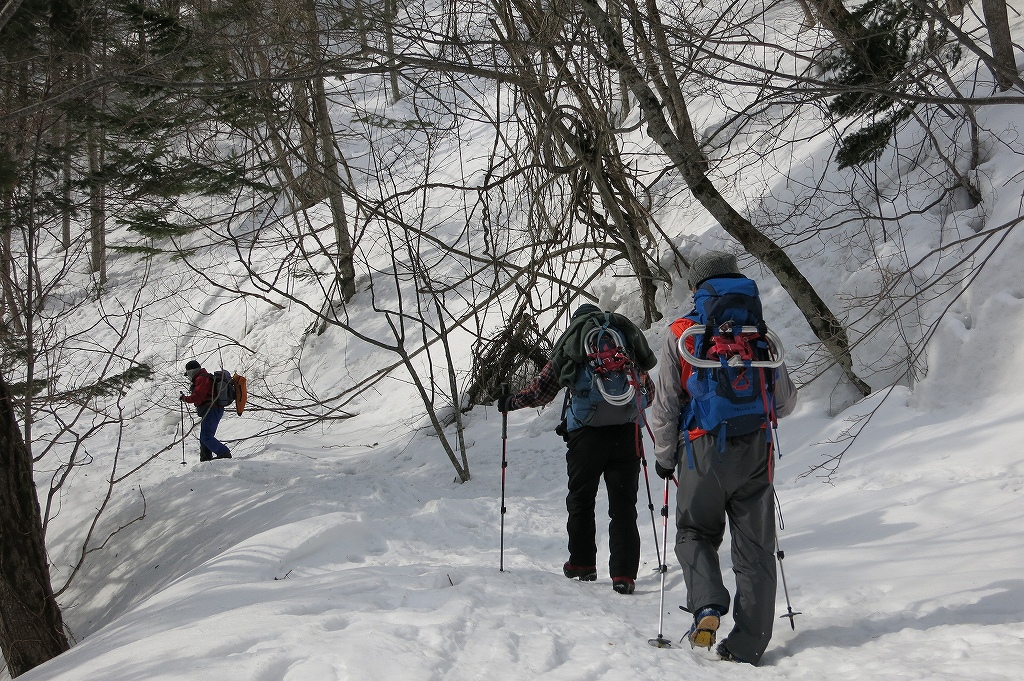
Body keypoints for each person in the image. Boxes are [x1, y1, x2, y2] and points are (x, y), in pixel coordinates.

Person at [650, 251, 797, 665]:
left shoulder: (682, 332)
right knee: (755, 549)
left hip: (702, 451)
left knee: (694, 532)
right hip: (756, 450)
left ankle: (709, 606)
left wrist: (664, 456)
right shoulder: (760, 333)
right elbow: (784, 402)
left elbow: (666, 404)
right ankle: (748, 645)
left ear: (697, 288)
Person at [499, 304, 656, 595]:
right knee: (624, 506)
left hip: (586, 434)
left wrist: (511, 402)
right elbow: (649, 391)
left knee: (581, 499)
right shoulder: (624, 341)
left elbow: (541, 390)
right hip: (626, 432)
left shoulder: (574, 341)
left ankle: (582, 564)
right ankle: (624, 574)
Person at [180, 360, 232, 462]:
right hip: (213, 409)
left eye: (188, 374)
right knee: (204, 436)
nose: (188, 377)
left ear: (191, 371)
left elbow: (198, 396)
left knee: (206, 436)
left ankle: (224, 453)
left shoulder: (202, 378)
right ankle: (205, 459)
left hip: (212, 409)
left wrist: (185, 398)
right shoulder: (203, 377)